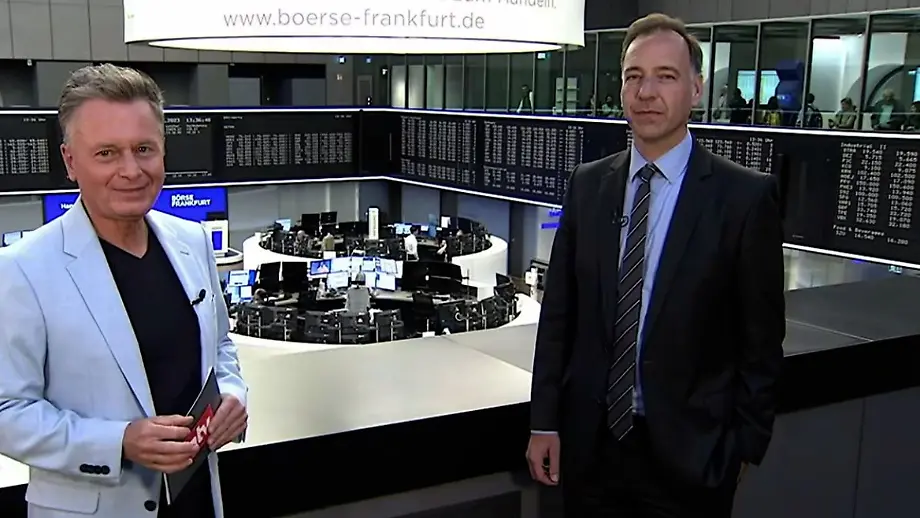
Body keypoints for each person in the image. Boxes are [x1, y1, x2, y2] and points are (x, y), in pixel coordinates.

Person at [527, 13, 785, 517]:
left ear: (696, 89)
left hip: (691, 461)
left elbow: (761, 342)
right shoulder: (587, 185)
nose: (646, 92)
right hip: (591, 453)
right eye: (634, 76)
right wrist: (544, 421)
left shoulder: (744, 199)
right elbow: (559, 315)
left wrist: (742, 448)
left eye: (665, 76)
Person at [0, 64, 248, 517]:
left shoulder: (192, 241)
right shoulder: (22, 270)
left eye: (143, 149)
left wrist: (232, 396)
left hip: (196, 501)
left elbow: (220, 348)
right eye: (107, 153)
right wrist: (119, 442)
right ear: (70, 162)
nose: (131, 171)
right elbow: (6, 411)